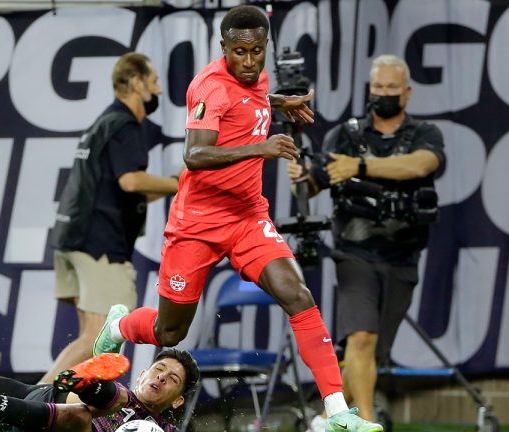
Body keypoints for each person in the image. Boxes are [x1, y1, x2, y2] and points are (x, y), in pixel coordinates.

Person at [92, 6, 381, 432]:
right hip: (197, 224)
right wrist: (260, 148)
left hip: (247, 217)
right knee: (170, 333)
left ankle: (338, 413)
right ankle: (119, 326)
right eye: (239, 52)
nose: (249, 61)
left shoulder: (256, 77)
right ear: (223, 48)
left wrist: (277, 102)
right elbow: (195, 154)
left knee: (297, 295)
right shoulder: (209, 87)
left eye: (257, 51)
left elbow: (251, 98)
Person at [287, 54, 445, 426]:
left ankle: (328, 417)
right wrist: (302, 176)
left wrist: (358, 167)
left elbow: (420, 165)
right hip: (354, 251)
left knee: (372, 352)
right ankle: (367, 423)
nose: (384, 93)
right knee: (360, 339)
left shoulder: (425, 134)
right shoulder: (344, 135)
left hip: (403, 254)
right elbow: (314, 184)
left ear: (406, 93)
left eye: (391, 87)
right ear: (369, 89)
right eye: (378, 87)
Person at [45, 52, 180, 385]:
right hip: (99, 244)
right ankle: (29, 405)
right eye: (154, 82)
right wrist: (179, 183)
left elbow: (136, 190)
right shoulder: (125, 124)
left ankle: (43, 406)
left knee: (89, 338)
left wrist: (176, 182)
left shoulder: (103, 122)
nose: (159, 91)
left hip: (73, 239)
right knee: (99, 339)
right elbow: (131, 181)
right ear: (136, 83)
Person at [0, 338, 200, 432]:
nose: (161, 378)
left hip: (41, 417)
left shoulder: (166, 429)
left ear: (178, 401)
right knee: (93, 408)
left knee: (91, 411)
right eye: (159, 370)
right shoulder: (119, 398)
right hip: (48, 409)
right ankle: (86, 383)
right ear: (142, 375)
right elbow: (17, 390)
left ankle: (101, 354)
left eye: (172, 379)